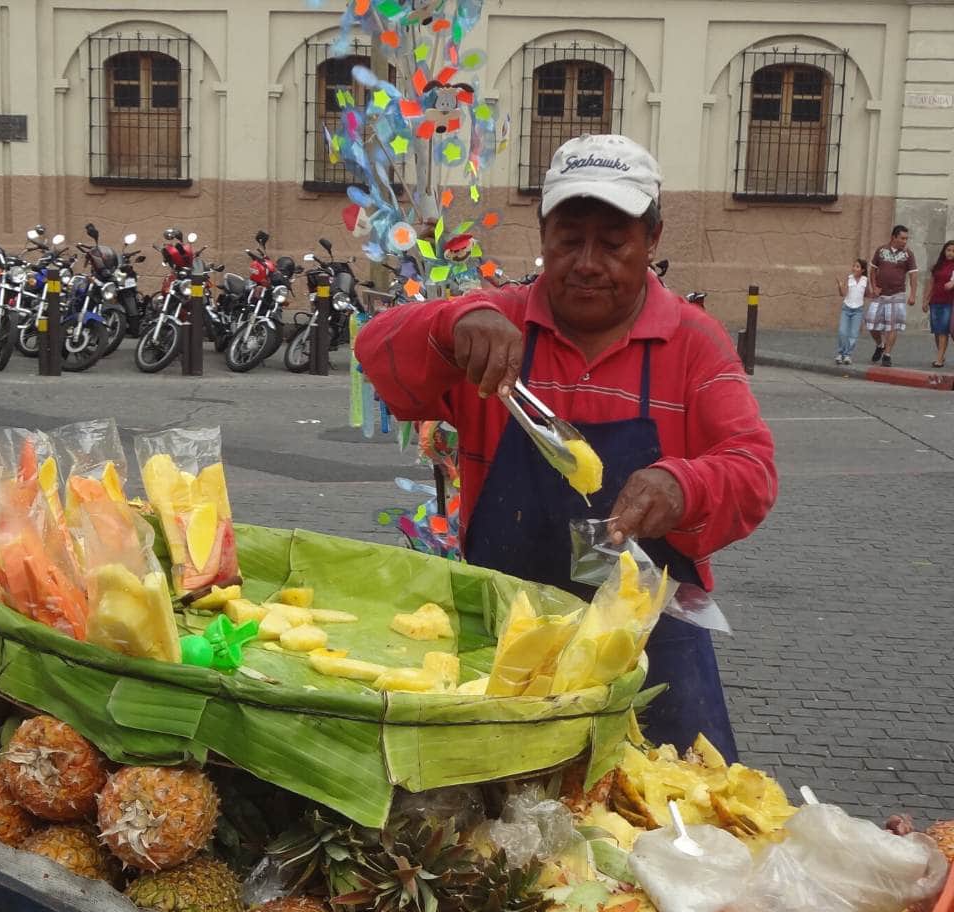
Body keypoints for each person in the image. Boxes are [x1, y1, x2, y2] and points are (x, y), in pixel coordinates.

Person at [356, 134, 777, 762]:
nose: (587, 262)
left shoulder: (694, 343)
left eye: (613, 243)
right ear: (543, 235)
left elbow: (752, 466)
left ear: (652, 241)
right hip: (505, 631)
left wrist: (684, 484)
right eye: (568, 239)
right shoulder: (495, 326)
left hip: (649, 642)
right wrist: (451, 322)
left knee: (680, 816)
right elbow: (377, 353)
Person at [866, 225, 918, 367]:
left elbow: (913, 275)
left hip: (897, 294)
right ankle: (880, 344)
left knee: (892, 326)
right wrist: (874, 286)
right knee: (871, 322)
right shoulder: (881, 250)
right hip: (880, 293)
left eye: (906, 238)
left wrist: (912, 294)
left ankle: (887, 355)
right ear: (893, 237)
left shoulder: (908, 254)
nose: (905, 241)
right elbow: (872, 269)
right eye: (902, 238)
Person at [922, 240, 954, 368]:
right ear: (944, 251)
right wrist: (926, 300)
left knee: (943, 331)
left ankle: (939, 359)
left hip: (948, 302)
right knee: (936, 330)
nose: (950, 253)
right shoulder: (938, 266)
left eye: (953, 251)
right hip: (935, 301)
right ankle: (941, 355)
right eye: (948, 250)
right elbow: (931, 284)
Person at [834, 258, 868, 365]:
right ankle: (840, 353)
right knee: (842, 331)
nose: (854, 268)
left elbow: (867, 293)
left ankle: (848, 355)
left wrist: (876, 292)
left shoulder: (865, 280)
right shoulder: (849, 278)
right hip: (846, 308)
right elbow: (842, 294)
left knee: (853, 334)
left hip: (858, 310)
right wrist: (840, 287)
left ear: (862, 270)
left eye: (857, 266)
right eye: (854, 266)